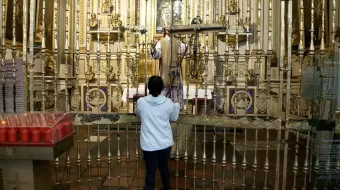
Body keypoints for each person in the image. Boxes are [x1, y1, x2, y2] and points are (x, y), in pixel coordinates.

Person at [136, 76, 180, 190]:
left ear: (149, 88)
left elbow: (138, 113)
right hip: (164, 143)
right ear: (161, 89)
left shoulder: (141, 102)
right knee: (164, 170)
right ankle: (166, 187)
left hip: (148, 144)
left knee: (150, 171)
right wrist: (177, 105)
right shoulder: (168, 102)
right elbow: (174, 118)